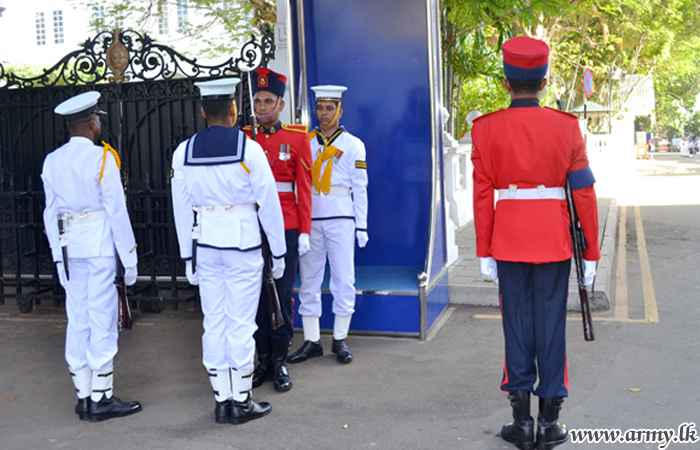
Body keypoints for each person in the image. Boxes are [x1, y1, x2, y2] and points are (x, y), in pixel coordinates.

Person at [471, 37, 600, 450]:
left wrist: (484, 250)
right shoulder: (566, 127)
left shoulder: (485, 128)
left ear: (507, 82)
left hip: (508, 241)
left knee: (516, 327)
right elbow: (584, 193)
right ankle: (549, 423)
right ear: (543, 81)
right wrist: (592, 251)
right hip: (554, 240)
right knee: (551, 327)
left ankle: (521, 424)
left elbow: (481, 195)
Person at [170, 78, 286, 424]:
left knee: (214, 322)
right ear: (234, 110)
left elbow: (180, 209)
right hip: (242, 245)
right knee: (240, 323)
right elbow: (268, 204)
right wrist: (278, 253)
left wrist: (186, 255)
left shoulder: (183, 151)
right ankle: (241, 399)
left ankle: (222, 399)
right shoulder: (249, 150)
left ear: (204, 111)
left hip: (205, 245)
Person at [41, 91, 141, 422]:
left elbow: (49, 213)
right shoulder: (103, 158)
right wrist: (129, 258)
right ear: (92, 123)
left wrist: (57, 254)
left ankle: (83, 396)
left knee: (78, 316)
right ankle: (102, 397)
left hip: (70, 247)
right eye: (97, 120)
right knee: (102, 318)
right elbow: (117, 211)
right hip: (98, 245)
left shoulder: (52, 160)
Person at [242, 68, 313, 392]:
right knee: (256, 295)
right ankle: (263, 361)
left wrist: (304, 231)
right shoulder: (244, 137)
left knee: (281, 295)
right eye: (257, 101)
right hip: (251, 225)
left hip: (285, 225)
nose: (262, 107)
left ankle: (281, 361)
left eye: (268, 101)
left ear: (281, 104)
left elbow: (305, 188)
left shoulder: (297, 138)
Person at [289, 85, 369, 365]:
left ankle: (339, 338)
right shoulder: (305, 143)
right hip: (310, 218)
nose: (324, 114)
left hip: (341, 218)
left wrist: (362, 225)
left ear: (340, 110)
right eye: (320, 108)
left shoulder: (353, 144)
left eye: (330, 108)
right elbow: (299, 186)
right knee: (309, 280)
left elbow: (360, 187)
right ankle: (311, 340)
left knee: (343, 278)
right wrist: (301, 224)